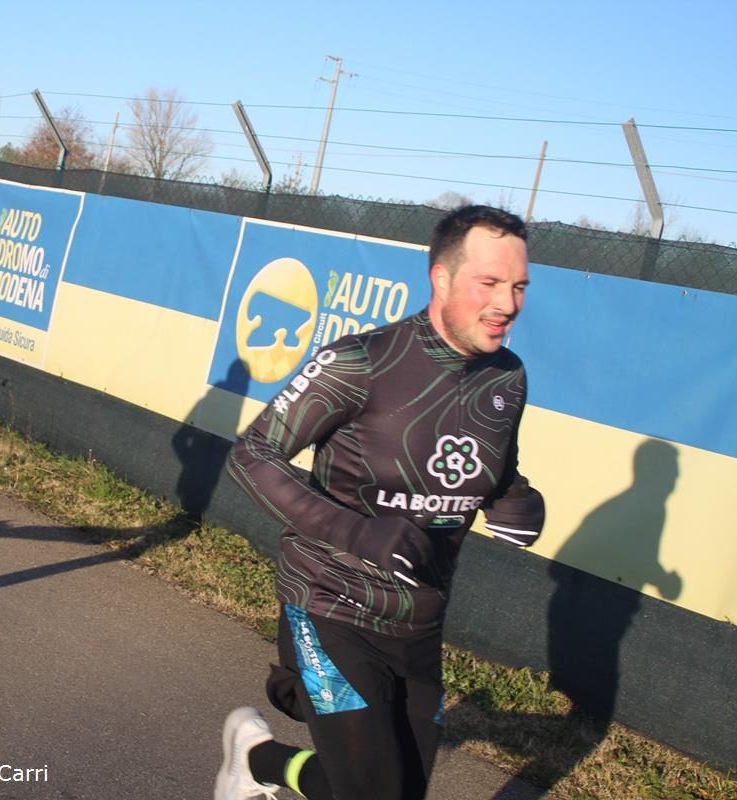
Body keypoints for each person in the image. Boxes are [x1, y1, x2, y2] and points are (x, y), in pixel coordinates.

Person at [215, 205, 546, 799]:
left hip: (421, 620)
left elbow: (495, 468)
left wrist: (514, 499)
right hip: (331, 602)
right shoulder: (363, 361)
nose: (508, 303)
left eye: (519, 286)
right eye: (490, 283)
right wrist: (356, 532)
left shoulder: (508, 378)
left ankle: (259, 760)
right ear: (441, 278)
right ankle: (275, 728)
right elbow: (252, 455)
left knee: (385, 792)